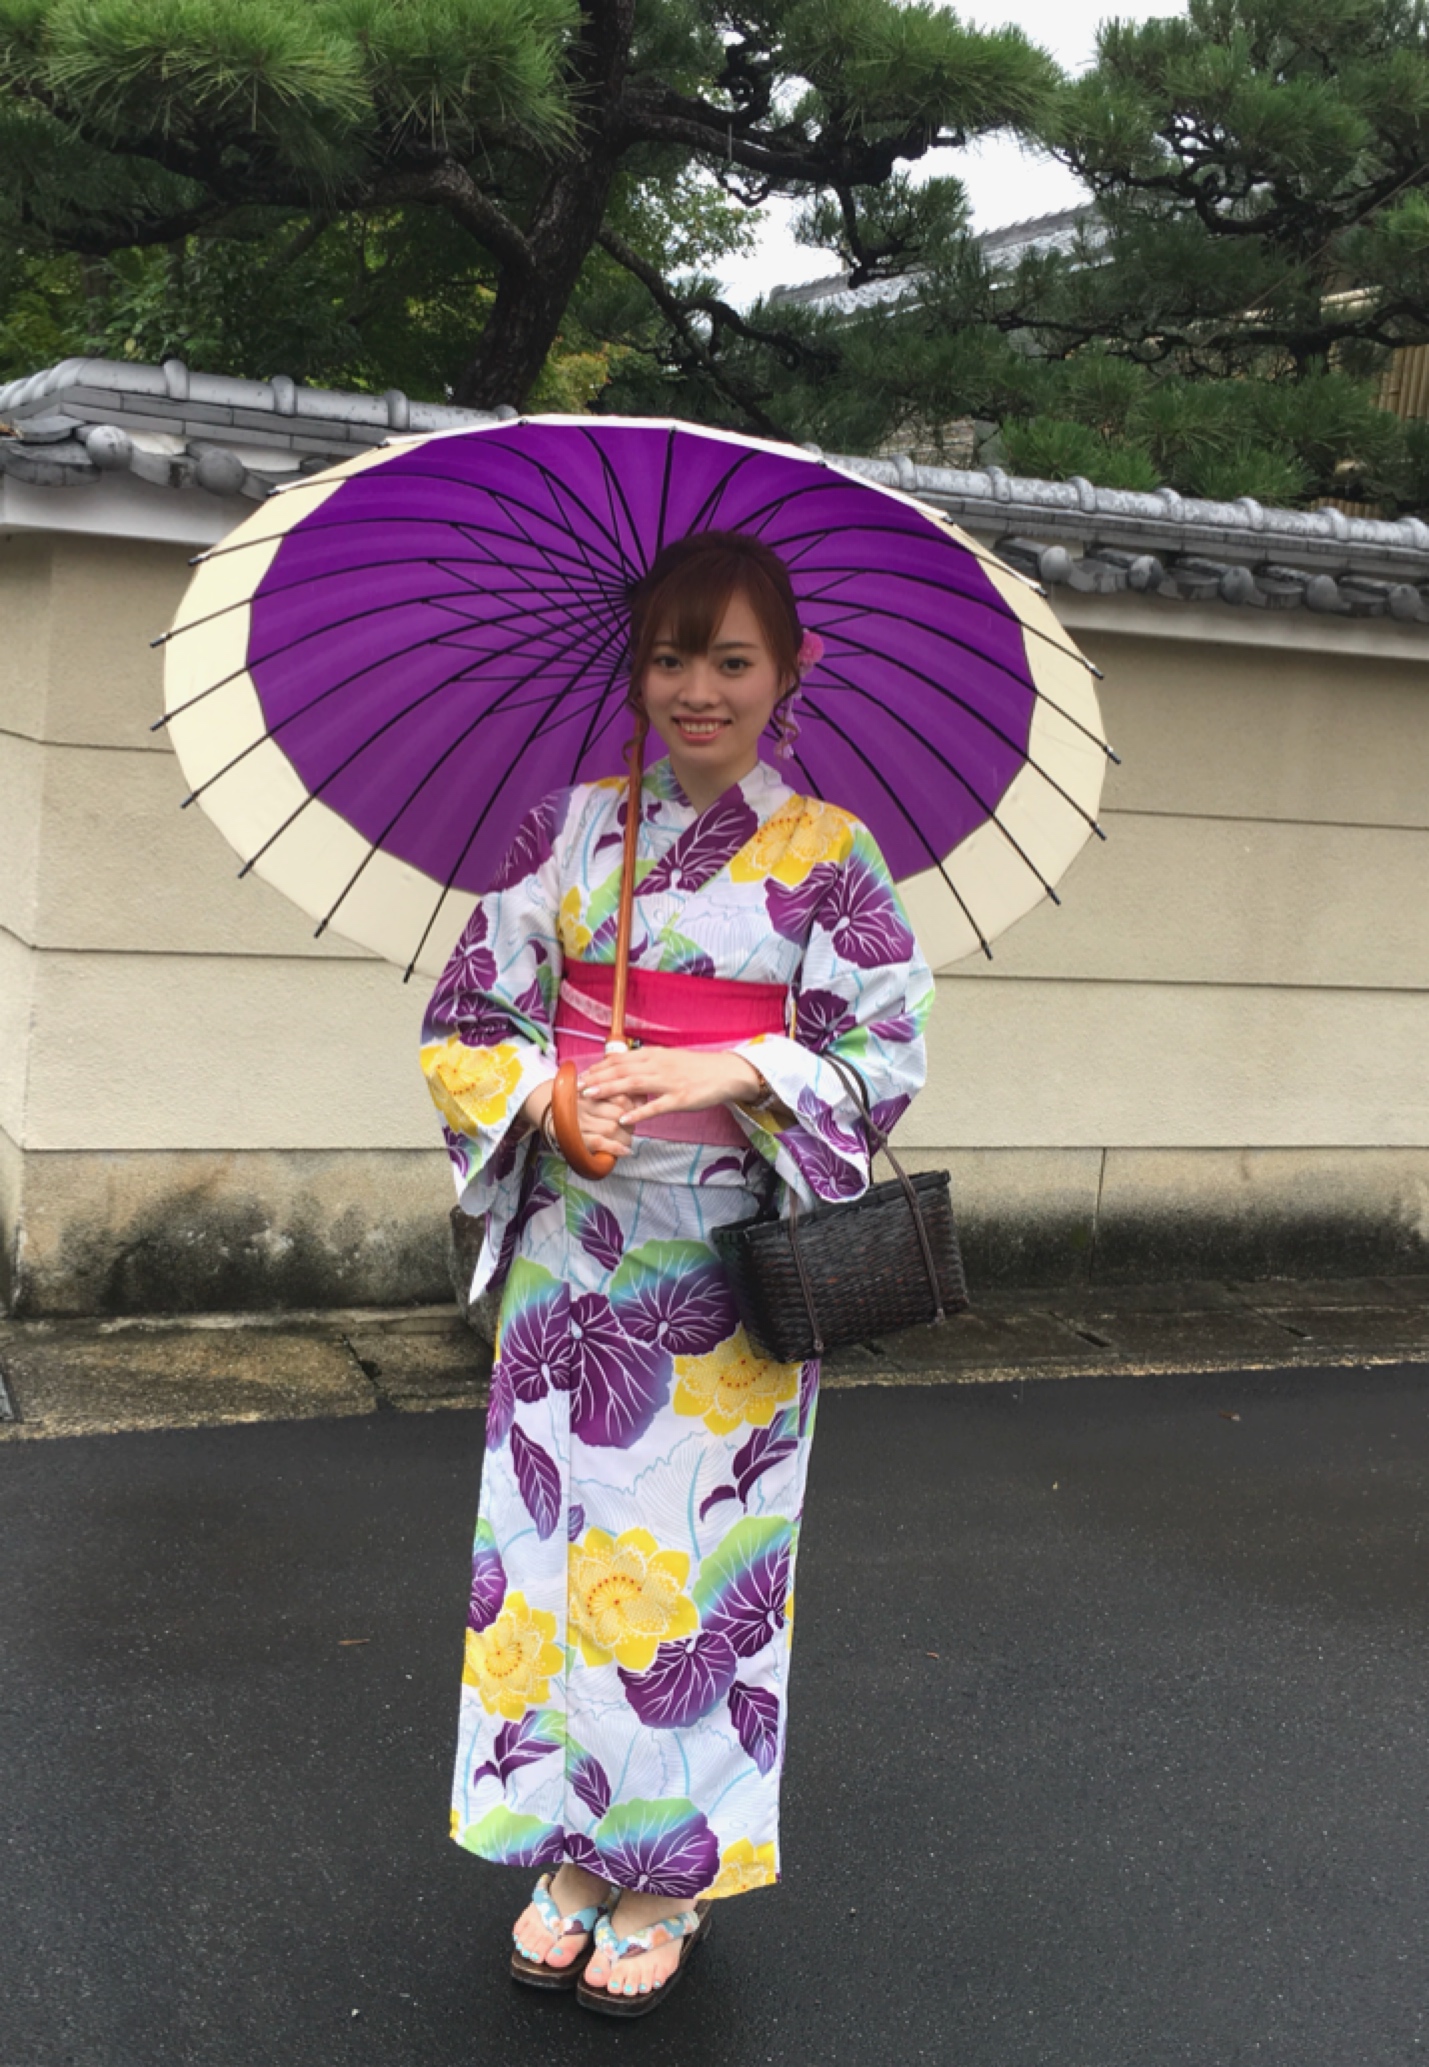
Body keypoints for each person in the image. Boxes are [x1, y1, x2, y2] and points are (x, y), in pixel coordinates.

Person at [420, 529, 933, 2016]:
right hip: (569, 1258)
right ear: (634, 670)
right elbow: (469, 1017)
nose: (696, 690)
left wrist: (735, 1065)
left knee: (696, 1581)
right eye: (668, 659)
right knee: (554, 1556)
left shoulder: (829, 856)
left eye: (731, 660)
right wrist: (546, 1101)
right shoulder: (567, 829)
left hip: (723, 1274)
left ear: (790, 671)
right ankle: (571, 1849)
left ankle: (666, 1875)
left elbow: (883, 1051)